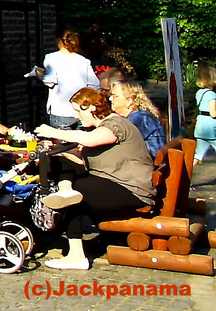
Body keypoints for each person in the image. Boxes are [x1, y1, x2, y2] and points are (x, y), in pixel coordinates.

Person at [35, 86, 156, 271]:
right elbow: (84, 161)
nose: (76, 117)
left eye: (77, 111)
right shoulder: (103, 127)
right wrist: (60, 147)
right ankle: (64, 189)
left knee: (77, 195)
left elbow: (90, 140)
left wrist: (55, 132)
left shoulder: (115, 124)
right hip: (115, 182)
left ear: (91, 108)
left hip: (133, 189)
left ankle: (76, 256)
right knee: (62, 161)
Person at [39, 30, 99, 130]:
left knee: (62, 143)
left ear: (59, 41)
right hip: (81, 110)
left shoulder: (51, 58)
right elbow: (95, 84)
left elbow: (49, 82)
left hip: (61, 110)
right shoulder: (83, 60)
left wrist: (40, 75)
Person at [107, 77, 167, 159]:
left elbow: (115, 137)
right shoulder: (139, 115)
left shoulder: (139, 118)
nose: (110, 99)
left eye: (115, 96)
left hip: (150, 167)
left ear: (129, 101)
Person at [196, 64, 216, 163]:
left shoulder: (199, 93)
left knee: (198, 155)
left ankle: (184, 174)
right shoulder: (212, 95)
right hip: (210, 128)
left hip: (200, 126)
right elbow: (213, 113)